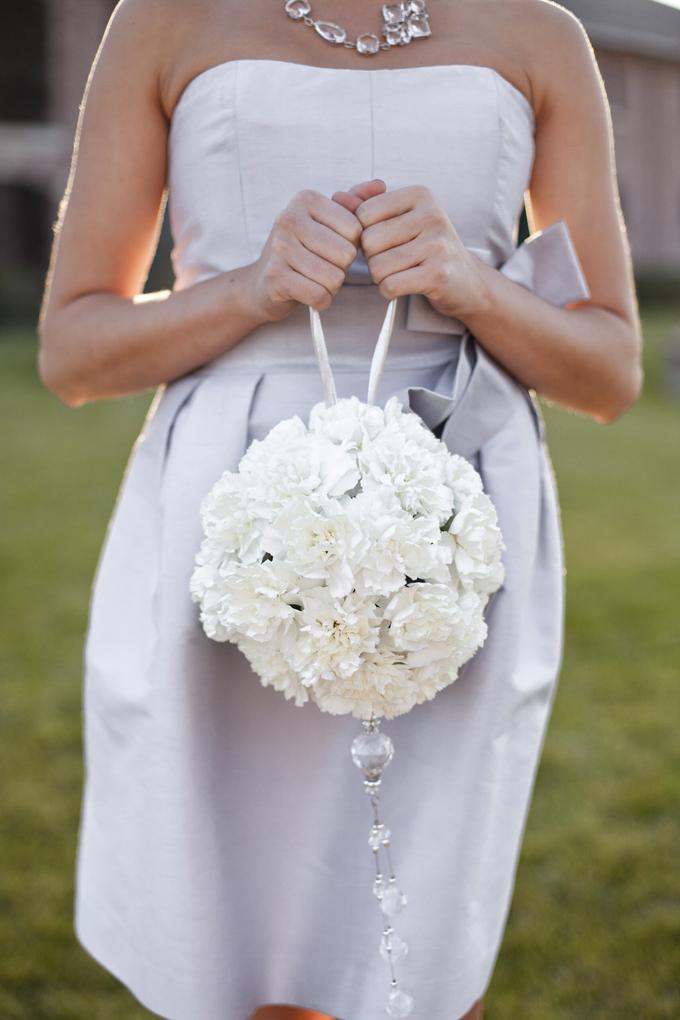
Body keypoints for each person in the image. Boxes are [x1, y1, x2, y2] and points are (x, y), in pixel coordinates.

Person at [37, 1, 642, 1018]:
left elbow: (609, 371)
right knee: (237, 929)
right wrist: (250, 289)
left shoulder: (540, 36)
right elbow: (72, 350)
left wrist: (471, 286)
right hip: (229, 525)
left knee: (415, 949)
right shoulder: (163, 21)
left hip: (451, 512)